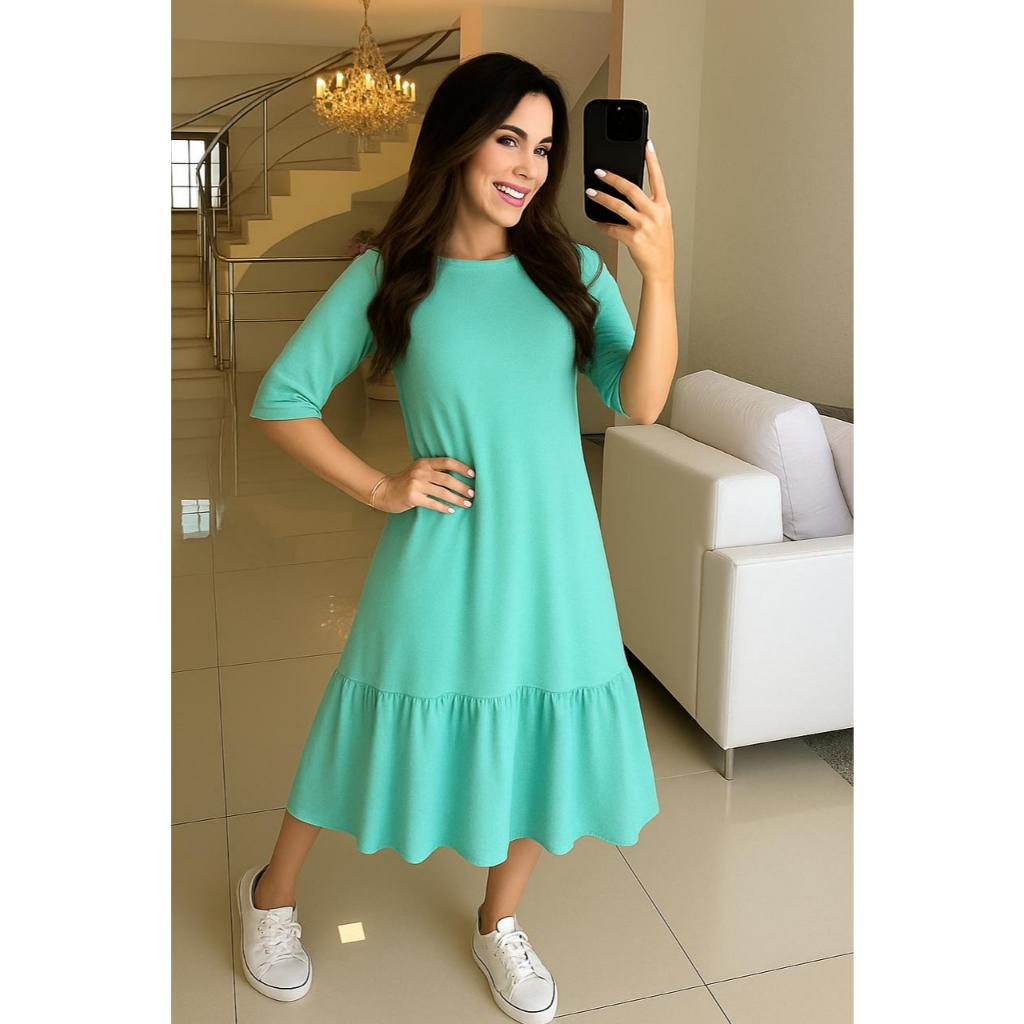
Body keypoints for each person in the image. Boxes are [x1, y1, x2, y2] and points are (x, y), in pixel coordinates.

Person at [236, 51, 677, 1022]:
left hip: (558, 558)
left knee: (537, 728)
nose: (527, 166)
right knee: (366, 716)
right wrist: (379, 485)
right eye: (508, 139)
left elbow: (640, 402)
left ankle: (498, 921)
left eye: (544, 148)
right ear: (459, 142)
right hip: (439, 551)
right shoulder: (392, 272)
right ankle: (269, 896)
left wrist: (659, 274)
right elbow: (283, 398)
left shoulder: (574, 272)